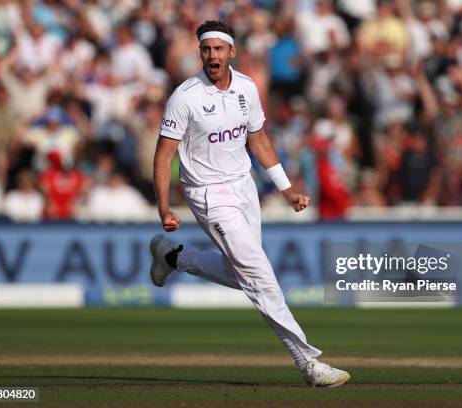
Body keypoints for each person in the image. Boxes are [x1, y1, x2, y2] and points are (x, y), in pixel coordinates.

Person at [150, 20, 350, 388]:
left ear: (232, 52)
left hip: (244, 187)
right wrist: (164, 206)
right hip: (208, 194)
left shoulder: (246, 87)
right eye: (206, 49)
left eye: (218, 49)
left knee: (237, 273)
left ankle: (172, 256)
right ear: (200, 53)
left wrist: (287, 188)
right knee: (259, 272)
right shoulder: (185, 95)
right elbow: (163, 156)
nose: (212, 56)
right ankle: (307, 362)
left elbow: (258, 141)